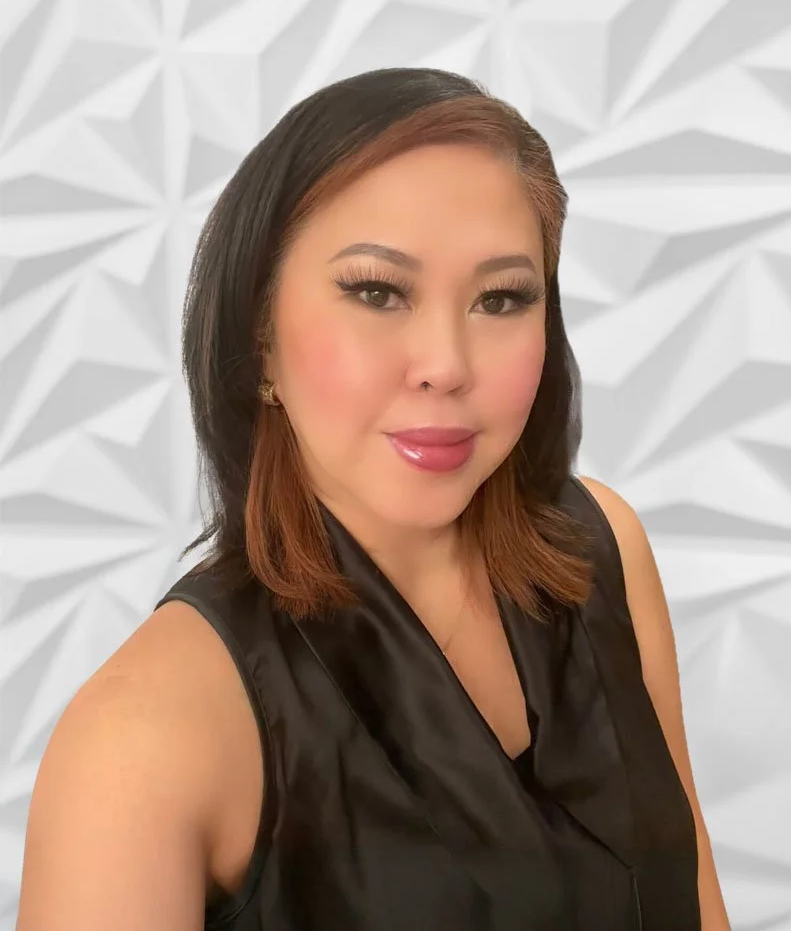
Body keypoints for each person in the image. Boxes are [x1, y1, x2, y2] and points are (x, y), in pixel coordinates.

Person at [16, 67, 730, 930]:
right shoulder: (143, 740)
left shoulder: (600, 549)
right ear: (259, 337)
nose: (446, 363)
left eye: (501, 298)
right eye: (376, 291)